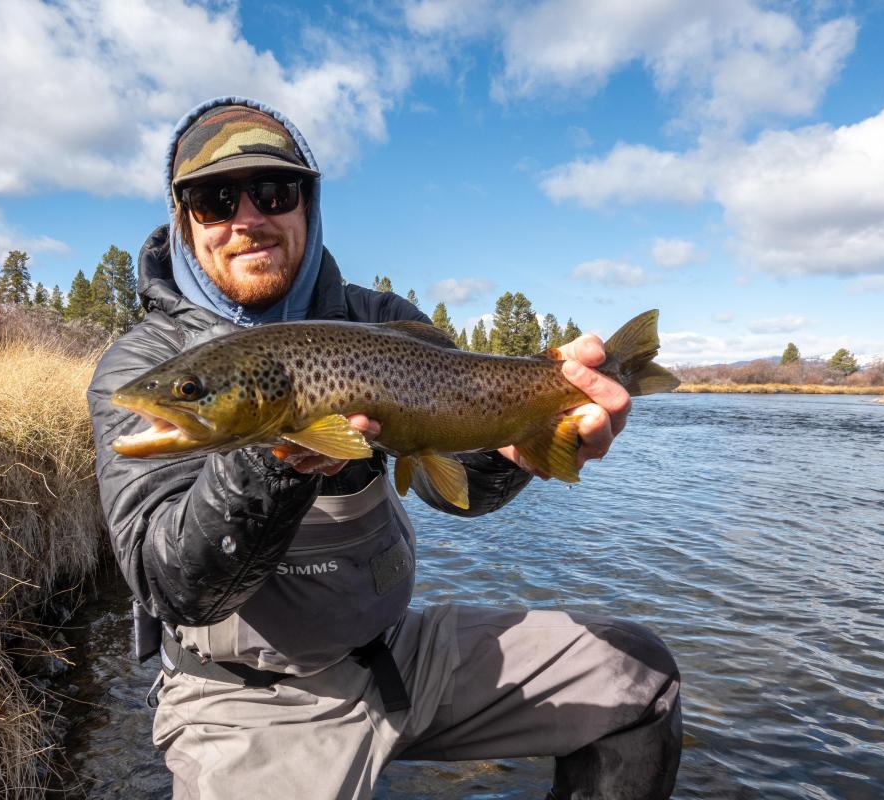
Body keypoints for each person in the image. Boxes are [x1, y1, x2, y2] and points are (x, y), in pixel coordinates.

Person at [87, 97, 681, 800]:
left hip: (396, 656)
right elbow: (172, 586)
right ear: (185, 221)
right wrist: (275, 459)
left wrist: (520, 447)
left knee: (638, 675)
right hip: (244, 701)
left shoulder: (383, 322)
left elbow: (449, 480)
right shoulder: (146, 368)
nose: (248, 218)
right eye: (216, 200)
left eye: (274, 192)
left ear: (308, 204)